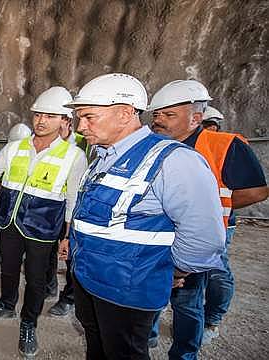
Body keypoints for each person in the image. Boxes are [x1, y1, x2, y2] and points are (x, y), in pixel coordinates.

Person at [64, 73, 225, 360]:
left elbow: (204, 238)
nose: (80, 126)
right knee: (97, 349)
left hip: (127, 291)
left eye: (89, 117)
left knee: (125, 353)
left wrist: (173, 271)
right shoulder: (102, 156)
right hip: (89, 279)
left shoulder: (175, 161)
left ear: (125, 114)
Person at [0, 86, 88, 358]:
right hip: (9, 223)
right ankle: (6, 304)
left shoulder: (74, 156)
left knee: (35, 278)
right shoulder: (14, 147)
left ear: (64, 121)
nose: (41, 120)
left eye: (50, 116)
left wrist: (67, 236)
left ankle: (29, 322)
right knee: (8, 269)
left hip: (42, 228)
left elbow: (72, 200)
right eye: (38, 114)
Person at [148, 79, 268, 357]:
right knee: (151, 289)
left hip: (195, 235)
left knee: (187, 301)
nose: (159, 120)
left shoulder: (224, 145)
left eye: (169, 115)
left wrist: (206, 209)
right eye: (156, 114)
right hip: (156, 233)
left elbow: (256, 191)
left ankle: (185, 353)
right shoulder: (151, 145)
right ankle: (149, 335)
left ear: (196, 118)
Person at [44, 115, 93, 317]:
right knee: (46, 248)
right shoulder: (44, 141)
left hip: (78, 204)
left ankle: (69, 297)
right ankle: (49, 285)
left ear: (66, 121)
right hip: (50, 205)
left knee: (72, 254)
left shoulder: (84, 141)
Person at [0, 123, 33, 265]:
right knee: (4, 230)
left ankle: (17, 259)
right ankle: (4, 257)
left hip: (26, 203)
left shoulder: (35, 155)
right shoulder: (9, 152)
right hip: (8, 200)